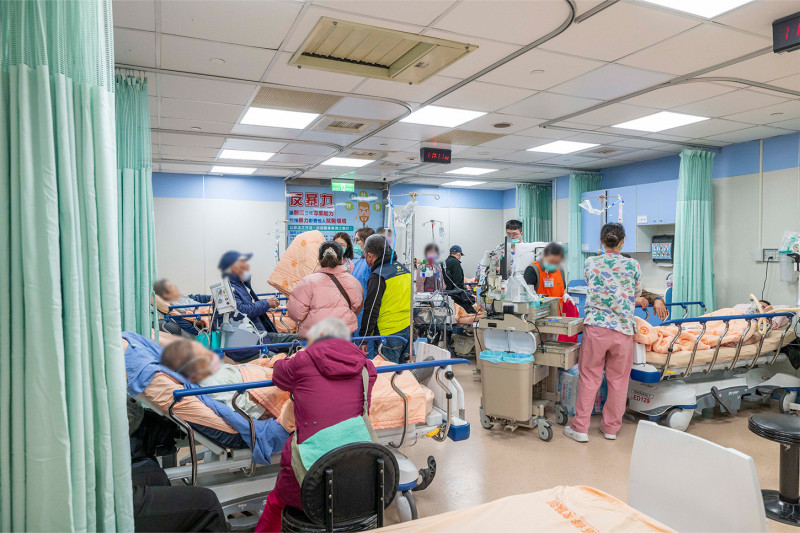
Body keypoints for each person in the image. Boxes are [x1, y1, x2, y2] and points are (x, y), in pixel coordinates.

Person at [254, 318, 377, 532]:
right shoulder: (367, 368)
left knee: (277, 502)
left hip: (310, 470)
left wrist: (294, 356)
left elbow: (278, 374)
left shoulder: (302, 361)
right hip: (357, 463)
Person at [564, 223, 641, 444]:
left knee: (589, 377)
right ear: (623, 241)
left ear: (601, 240)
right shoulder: (633, 265)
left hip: (596, 327)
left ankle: (580, 428)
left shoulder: (591, 262)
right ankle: (611, 429)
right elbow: (636, 292)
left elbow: (592, 282)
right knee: (619, 380)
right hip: (622, 329)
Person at [160, 338, 269, 419]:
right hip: (261, 386)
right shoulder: (207, 381)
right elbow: (240, 404)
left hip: (253, 374)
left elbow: (235, 369)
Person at [287, 242, 364, 338]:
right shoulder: (353, 282)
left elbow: (296, 313)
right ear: (341, 259)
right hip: (343, 335)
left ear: (319, 260)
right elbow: (357, 307)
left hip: (314, 336)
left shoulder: (307, 282)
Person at [359, 234, 412, 363]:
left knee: (386, 373)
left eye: (365, 256)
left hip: (388, 335)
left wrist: (364, 339)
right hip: (407, 331)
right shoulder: (405, 271)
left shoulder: (378, 276)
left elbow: (371, 310)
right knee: (402, 373)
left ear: (370, 255)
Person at [523, 242, 566, 311]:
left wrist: (566, 295)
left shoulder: (560, 270)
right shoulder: (533, 269)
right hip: (540, 311)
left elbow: (563, 289)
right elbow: (527, 295)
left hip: (558, 312)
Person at [352, 227, 376, 330]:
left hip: (366, 312)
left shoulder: (371, 265)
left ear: (367, 242)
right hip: (356, 312)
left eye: (357, 240)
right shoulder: (358, 263)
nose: (355, 243)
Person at [443, 245, 478, 314]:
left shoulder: (444, 262)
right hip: (455, 291)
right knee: (470, 302)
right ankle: (473, 315)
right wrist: (461, 290)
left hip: (447, 291)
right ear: (458, 253)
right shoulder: (455, 262)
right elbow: (458, 277)